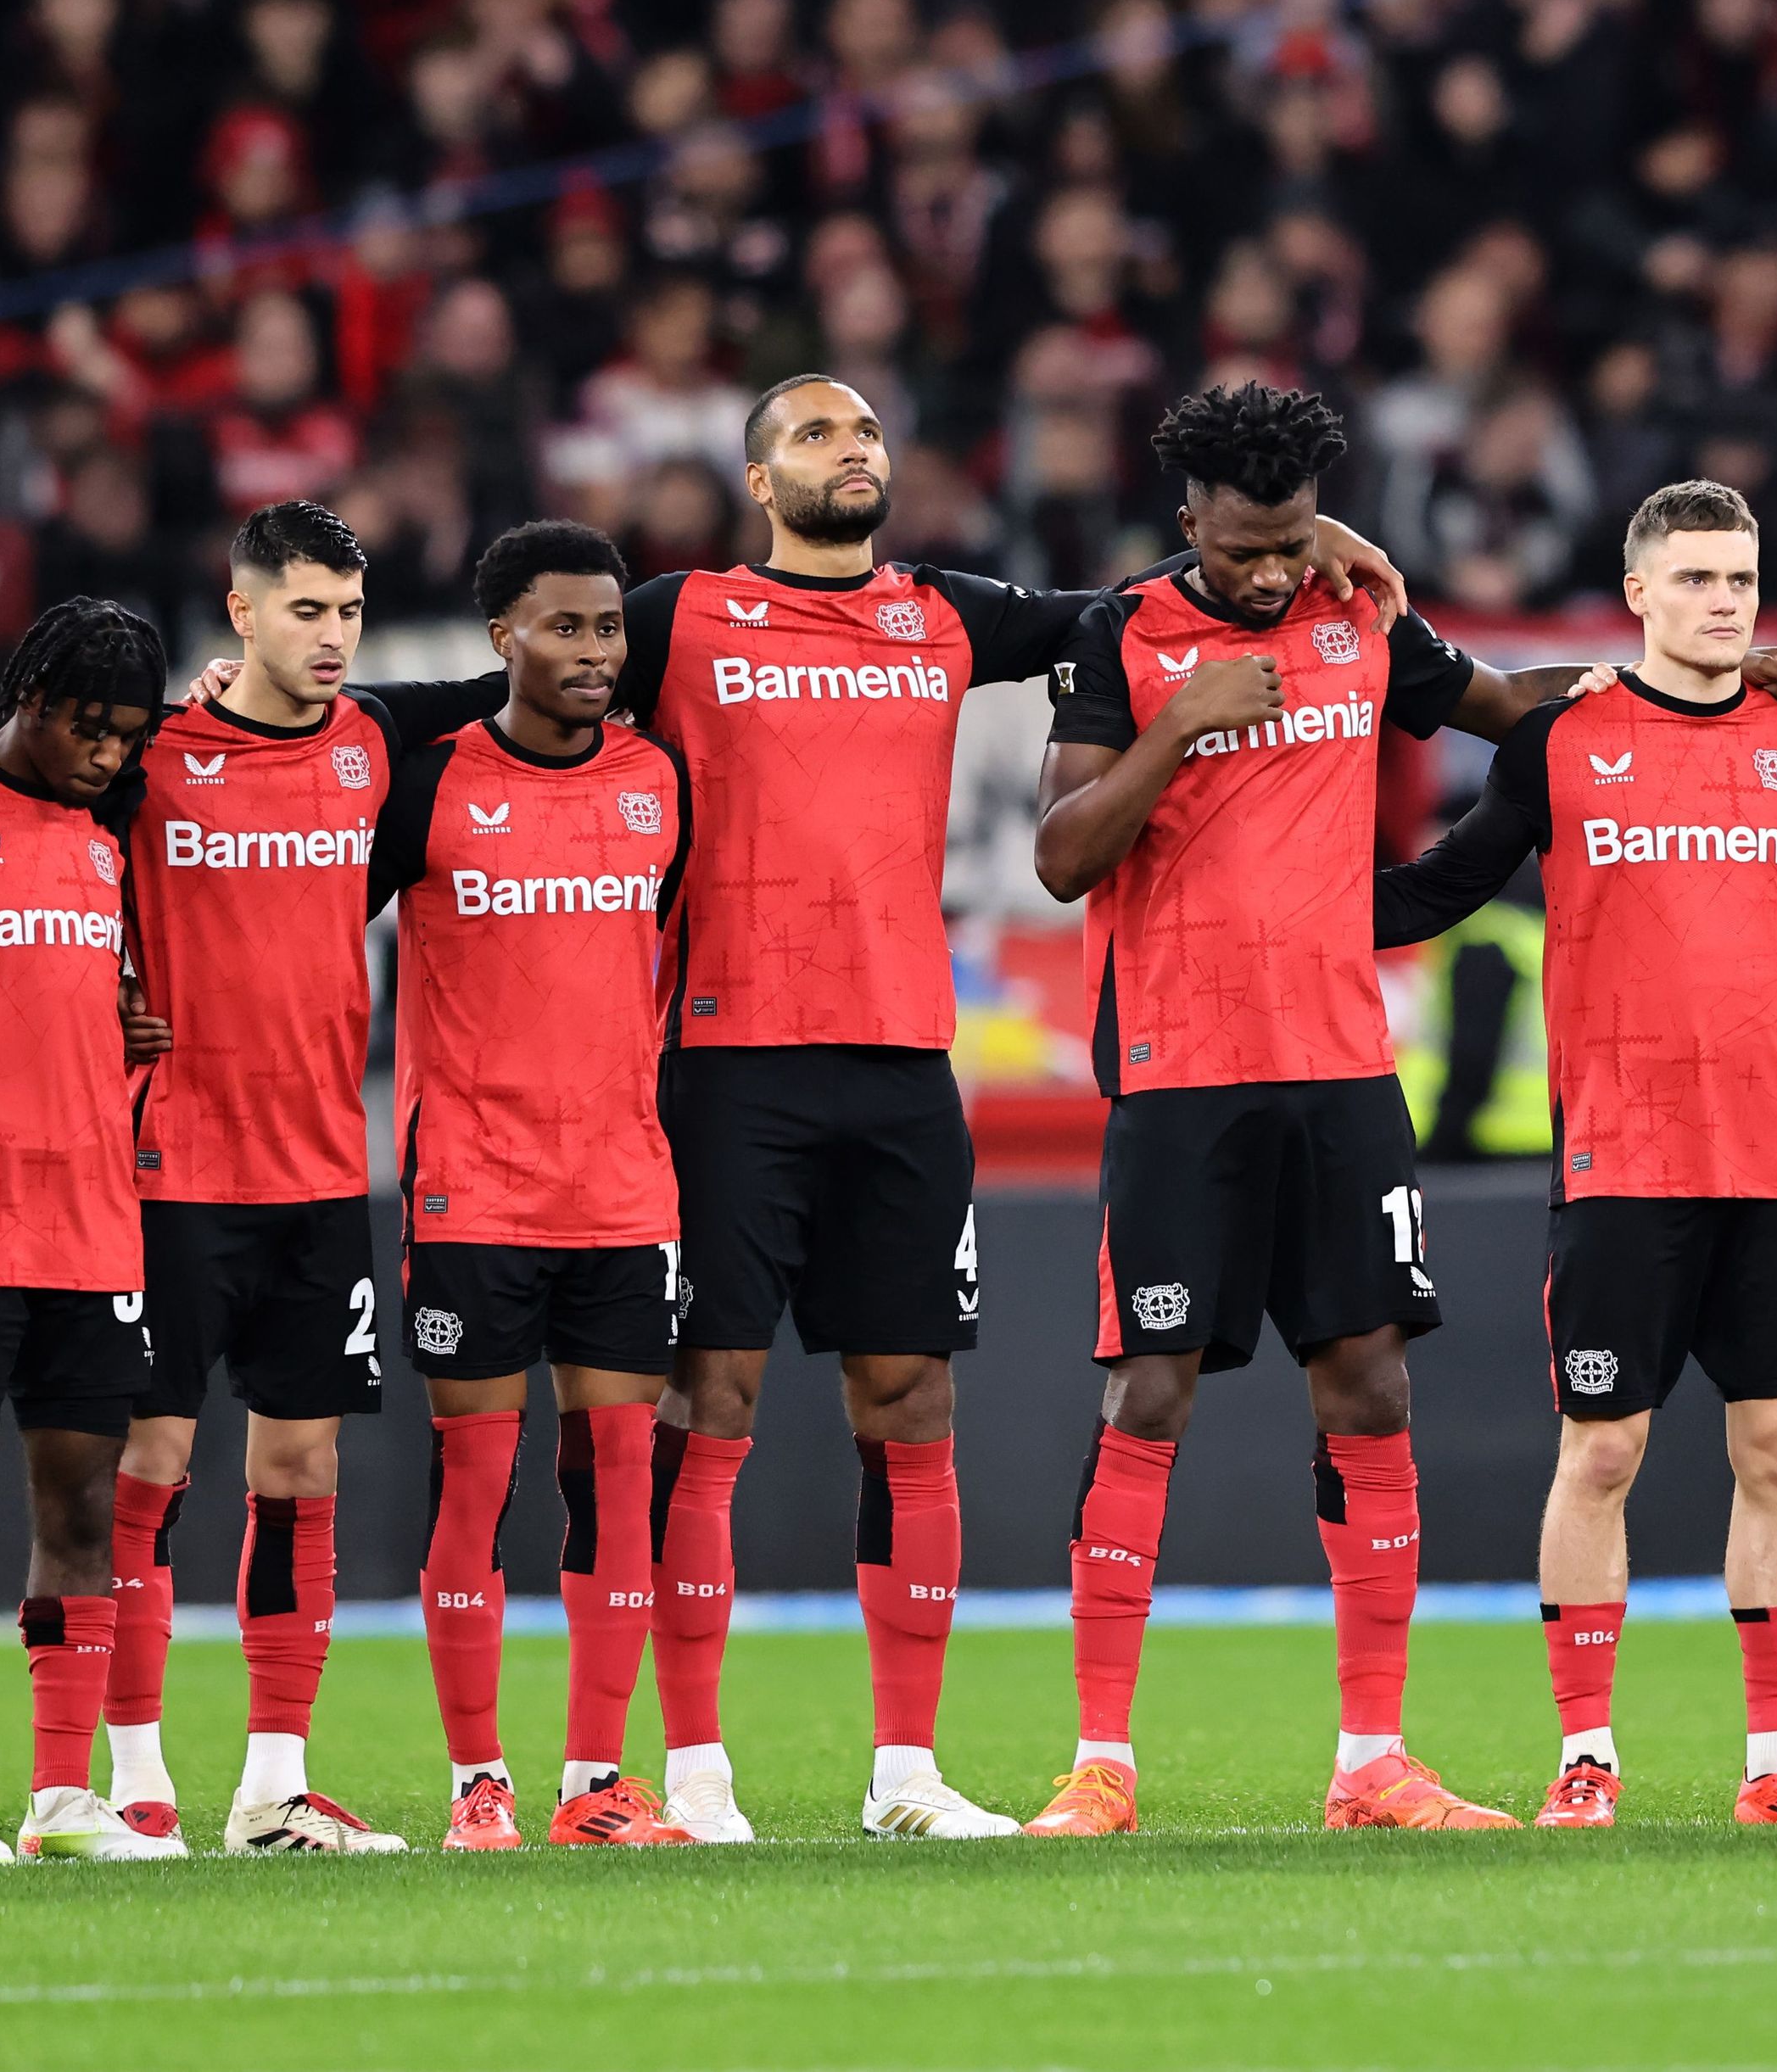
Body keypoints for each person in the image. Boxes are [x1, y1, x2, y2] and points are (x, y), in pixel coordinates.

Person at [243, 373, 1406, 1841]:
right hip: (730, 1064)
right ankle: (693, 1771)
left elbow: (1164, 587)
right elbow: (521, 683)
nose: (848, 451)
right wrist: (291, 715)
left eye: (863, 431)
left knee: (912, 1401)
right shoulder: (675, 617)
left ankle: (906, 1774)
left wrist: (1329, 533)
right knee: (708, 1398)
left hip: (907, 1067)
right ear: (757, 477)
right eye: (812, 434)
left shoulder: (947, 613)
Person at [1022, 383, 1777, 1837]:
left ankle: (1372, 1761)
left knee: (1373, 1394)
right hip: (1178, 1071)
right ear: (1187, 519)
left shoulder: (1359, 615)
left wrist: (1714, 676)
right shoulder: (1119, 637)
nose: (1273, 572)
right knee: (1151, 1392)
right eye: (1245, 547)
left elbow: (1520, 718)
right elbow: (1064, 854)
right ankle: (1100, 1763)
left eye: (1291, 541)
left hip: (1341, 1072)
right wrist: (1182, 727)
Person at [1372, 479, 1777, 1828]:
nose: (1723, 602)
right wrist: (1277, 909)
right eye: (1694, 579)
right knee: (1605, 1451)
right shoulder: (1564, 742)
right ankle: (1586, 1757)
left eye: (1740, 580)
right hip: (1623, 1156)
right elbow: (1447, 885)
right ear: (1635, 594)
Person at [108, 500, 490, 1857]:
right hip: (169, 1164)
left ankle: (273, 1782)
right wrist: (105, 989)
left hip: (323, 1167)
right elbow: (39, 849)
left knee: (301, 1460)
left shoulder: (377, 743)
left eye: (349, 612)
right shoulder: (148, 755)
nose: (332, 638)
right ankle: (134, 1777)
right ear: (243, 610)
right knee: (150, 1457)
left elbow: (530, 673)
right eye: (307, 610)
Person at [371, 522, 700, 1851]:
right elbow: (308, 920)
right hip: (474, 1187)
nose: (592, 652)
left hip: (624, 1188)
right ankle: (476, 1784)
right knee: (476, 1487)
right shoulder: (433, 781)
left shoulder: (660, 780)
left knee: (622, 1483)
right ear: (501, 633)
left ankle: (593, 1781)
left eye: (608, 628)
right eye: (562, 627)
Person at [0, 598, 181, 1864]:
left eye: (126, 736)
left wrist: (121, 1030)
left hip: (93, 1218)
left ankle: (65, 1796)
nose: (108, 755)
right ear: (31, 697)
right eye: (89, 728)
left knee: (83, 1507)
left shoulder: (107, 836)